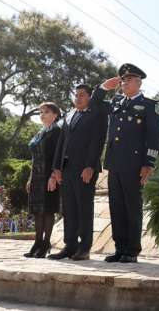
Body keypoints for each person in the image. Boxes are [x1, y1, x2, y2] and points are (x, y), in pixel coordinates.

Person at [92, 63, 159, 264]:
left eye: (128, 80)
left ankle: (132, 250)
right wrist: (104, 87)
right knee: (117, 207)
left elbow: (153, 137)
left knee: (132, 207)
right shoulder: (116, 102)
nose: (123, 83)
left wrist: (149, 163)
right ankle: (119, 248)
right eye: (122, 80)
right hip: (114, 163)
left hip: (134, 163)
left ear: (138, 83)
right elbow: (95, 104)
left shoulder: (148, 105)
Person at [48, 84, 108, 261]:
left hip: (85, 170)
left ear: (90, 97)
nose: (78, 98)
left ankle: (84, 247)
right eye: (76, 95)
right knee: (69, 208)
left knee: (84, 209)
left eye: (82, 95)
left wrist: (90, 166)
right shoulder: (69, 115)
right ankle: (70, 245)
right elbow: (61, 143)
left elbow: (98, 141)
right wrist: (56, 168)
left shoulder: (96, 115)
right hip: (67, 169)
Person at [24, 102, 62, 259]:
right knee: (37, 211)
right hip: (37, 177)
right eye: (41, 112)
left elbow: (58, 156)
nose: (42, 114)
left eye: (46, 112)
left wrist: (54, 176)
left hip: (49, 176)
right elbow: (34, 158)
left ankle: (46, 243)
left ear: (55, 114)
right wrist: (30, 178)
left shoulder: (57, 131)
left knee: (47, 210)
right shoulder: (40, 132)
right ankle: (37, 242)